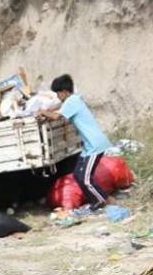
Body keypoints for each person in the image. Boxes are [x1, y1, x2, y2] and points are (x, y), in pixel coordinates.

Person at [39, 74, 113, 206]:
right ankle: (98, 201)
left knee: (85, 180)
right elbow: (58, 109)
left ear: (65, 92)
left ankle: (103, 202)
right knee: (78, 176)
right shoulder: (74, 100)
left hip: (95, 145)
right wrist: (48, 111)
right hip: (88, 147)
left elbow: (56, 116)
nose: (57, 96)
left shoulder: (72, 101)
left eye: (58, 93)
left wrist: (42, 112)